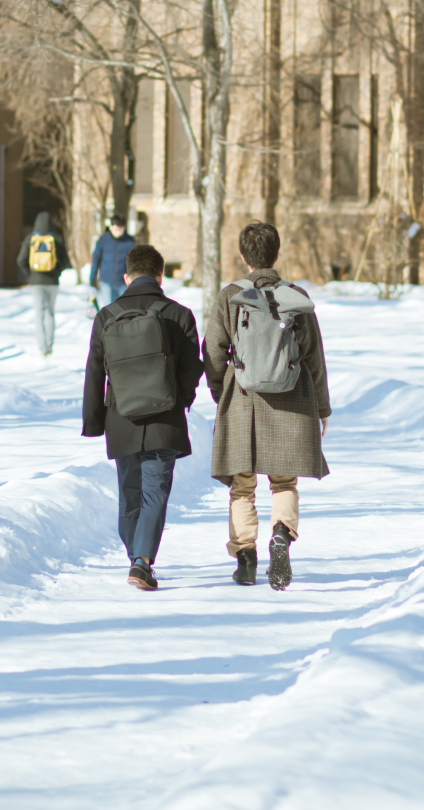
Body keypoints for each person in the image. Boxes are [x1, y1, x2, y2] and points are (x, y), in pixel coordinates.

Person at [202, 220, 330, 591]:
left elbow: (213, 351)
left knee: (242, 485)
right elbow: (313, 357)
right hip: (291, 400)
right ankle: (280, 534)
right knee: (283, 478)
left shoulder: (229, 296)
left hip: (242, 399)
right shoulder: (295, 297)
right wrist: (322, 407)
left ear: (244, 257)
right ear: (277, 254)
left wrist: (220, 391)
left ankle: (245, 558)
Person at [82, 243, 202, 590]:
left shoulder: (106, 316)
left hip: (121, 421)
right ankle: (141, 561)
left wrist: (94, 421)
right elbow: (192, 368)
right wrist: (181, 399)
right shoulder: (179, 315)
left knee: (129, 495)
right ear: (161, 276)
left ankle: (138, 557)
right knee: (155, 494)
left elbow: (94, 371)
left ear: (126, 276)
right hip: (165, 420)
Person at [16, 211, 70, 355]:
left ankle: (42, 348)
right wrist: (57, 271)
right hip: (52, 282)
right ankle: (50, 345)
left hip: (36, 282)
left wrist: (30, 275)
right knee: (50, 313)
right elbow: (66, 261)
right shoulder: (57, 239)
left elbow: (20, 260)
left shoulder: (31, 239)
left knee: (39, 314)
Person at [88, 214, 134, 308]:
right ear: (111, 227)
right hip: (106, 281)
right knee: (109, 310)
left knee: (123, 309)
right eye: (116, 229)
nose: (118, 232)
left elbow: (135, 262)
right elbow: (96, 258)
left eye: (120, 229)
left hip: (123, 282)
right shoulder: (103, 240)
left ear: (124, 228)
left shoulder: (130, 241)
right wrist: (92, 277)